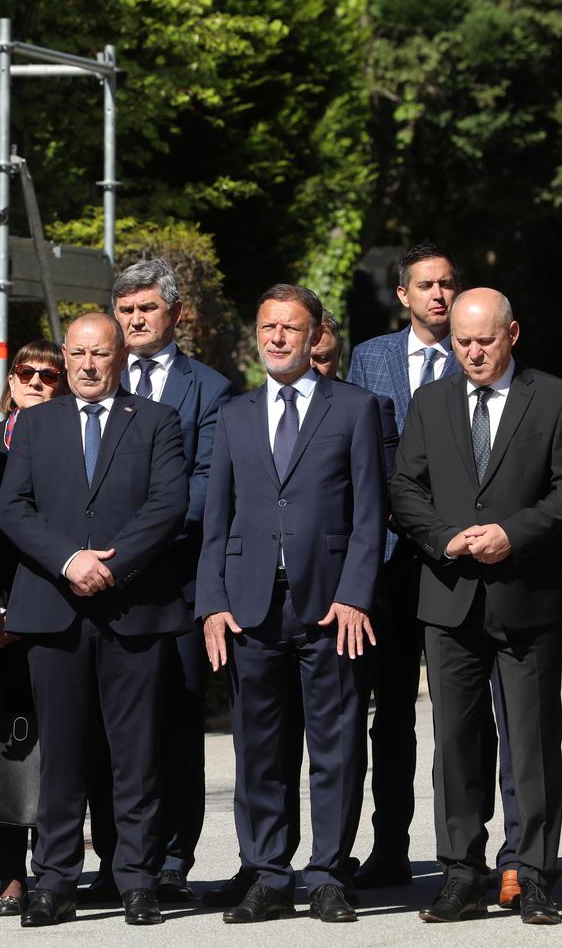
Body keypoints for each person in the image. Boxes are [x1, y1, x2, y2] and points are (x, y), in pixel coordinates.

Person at [389, 289, 562, 924]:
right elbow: (405, 486)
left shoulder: (554, 398)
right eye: (461, 341)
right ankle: (459, 872)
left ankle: (530, 871)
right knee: (454, 743)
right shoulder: (431, 401)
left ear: (512, 335)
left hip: (524, 595)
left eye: (484, 340)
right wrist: (444, 538)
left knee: (530, 741)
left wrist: (515, 533)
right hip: (449, 597)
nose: (472, 352)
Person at [196, 284, 386, 924]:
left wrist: (356, 593)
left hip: (331, 607)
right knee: (259, 748)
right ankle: (269, 875)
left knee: (335, 744)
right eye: (268, 326)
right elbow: (215, 519)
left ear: (314, 338)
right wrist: (212, 603)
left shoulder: (356, 408)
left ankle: (328, 873)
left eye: (291, 328)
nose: (277, 338)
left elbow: (369, 515)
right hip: (250, 607)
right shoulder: (235, 414)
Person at [0, 313, 188, 927]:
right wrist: (68, 560)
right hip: (54, 609)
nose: (84, 364)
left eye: (98, 353)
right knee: (61, 755)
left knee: (135, 754)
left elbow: (168, 505)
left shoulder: (156, 421)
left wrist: (114, 565)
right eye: (75, 353)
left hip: (132, 607)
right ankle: (55, 879)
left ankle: (136, 878)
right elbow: (13, 508)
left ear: (120, 357)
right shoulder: (35, 422)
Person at [344, 244, 521, 903]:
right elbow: (363, 456)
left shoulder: (483, 352)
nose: (439, 295)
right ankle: (390, 848)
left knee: (475, 716)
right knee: (389, 715)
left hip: (466, 562)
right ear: (403, 295)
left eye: (448, 283)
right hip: (392, 563)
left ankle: (496, 856)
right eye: (425, 285)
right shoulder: (370, 360)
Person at [78, 259, 231, 904]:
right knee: (105, 729)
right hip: (97, 584)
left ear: (175, 315)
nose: (134, 319)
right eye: (126, 309)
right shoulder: (87, 378)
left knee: (171, 724)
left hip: (176, 579)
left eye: (146, 309)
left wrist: (131, 546)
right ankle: (115, 860)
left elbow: (204, 486)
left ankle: (170, 858)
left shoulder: (210, 389)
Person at [0, 339, 65, 915]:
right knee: (8, 747)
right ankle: (10, 875)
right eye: (26, 372)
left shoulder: (75, 442)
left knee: (61, 743)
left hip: (52, 612)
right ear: (10, 380)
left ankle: (56, 866)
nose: (36, 382)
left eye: (51, 376)